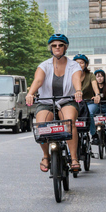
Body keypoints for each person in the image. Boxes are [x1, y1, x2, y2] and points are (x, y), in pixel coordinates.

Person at [26, 34, 83, 173]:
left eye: (60, 45)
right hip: (46, 101)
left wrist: (78, 90)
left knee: (69, 122)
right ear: (51, 48)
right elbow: (38, 80)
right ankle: (46, 156)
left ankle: (74, 158)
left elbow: (76, 79)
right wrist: (30, 93)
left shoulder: (74, 65)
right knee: (41, 126)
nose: (57, 48)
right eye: (54, 45)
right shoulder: (44, 65)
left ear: (65, 47)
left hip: (67, 100)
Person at [73, 54, 100, 129]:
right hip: (76, 103)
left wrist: (97, 95)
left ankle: (93, 134)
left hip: (89, 102)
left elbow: (95, 86)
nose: (79, 65)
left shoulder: (90, 75)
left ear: (86, 65)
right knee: (70, 116)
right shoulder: (70, 76)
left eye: (81, 63)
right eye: (76, 63)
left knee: (90, 114)